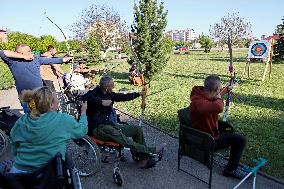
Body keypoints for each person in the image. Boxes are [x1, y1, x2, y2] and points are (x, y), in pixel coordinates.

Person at [81, 76, 166, 169]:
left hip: (111, 125)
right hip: (98, 129)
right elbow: (84, 97)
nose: (113, 88)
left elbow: (122, 97)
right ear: (105, 87)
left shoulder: (109, 94)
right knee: (125, 140)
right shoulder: (93, 94)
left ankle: (142, 159)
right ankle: (152, 151)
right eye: (111, 86)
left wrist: (139, 94)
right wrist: (101, 102)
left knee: (137, 130)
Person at [9, 86, 88, 173]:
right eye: (56, 98)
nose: (58, 101)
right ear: (51, 105)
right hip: (49, 173)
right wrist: (83, 112)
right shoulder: (63, 119)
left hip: (19, 171)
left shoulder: (22, 121)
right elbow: (81, 131)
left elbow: (14, 142)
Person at [189, 75, 246, 179]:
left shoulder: (200, 95)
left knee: (231, 134)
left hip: (205, 133)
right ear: (215, 89)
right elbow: (218, 106)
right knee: (240, 140)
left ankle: (231, 167)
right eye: (219, 89)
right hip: (206, 141)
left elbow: (213, 98)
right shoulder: (200, 103)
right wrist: (220, 96)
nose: (219, 91)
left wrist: (226, 90)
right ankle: (230, 170)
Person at [0, 44, 72, 112]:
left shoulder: (36, 59)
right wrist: (23, 57)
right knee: (33, 115)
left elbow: (50, 60)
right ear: (20, 52)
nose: (31, 53)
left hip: (40, 94)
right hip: (27, 96)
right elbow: (2, 52)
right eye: (28, 51)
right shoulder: (13, 61)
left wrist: (64, 59)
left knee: (45, 113)